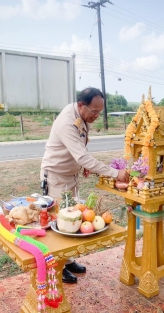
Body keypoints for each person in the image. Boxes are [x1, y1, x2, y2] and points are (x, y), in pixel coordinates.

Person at [40, 87, 129, 283]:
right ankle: (56, 266)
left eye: (100, 112)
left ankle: (67, 260)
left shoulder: (82, 116)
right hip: (56, 177)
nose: (96, 116)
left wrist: (82, 165)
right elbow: (82, 155)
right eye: (94, 111)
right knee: (59, 222)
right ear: (81, 105)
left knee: (72, 219)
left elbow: (80, 150)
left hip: (70, 175)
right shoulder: (66, 122)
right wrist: (116, 173)